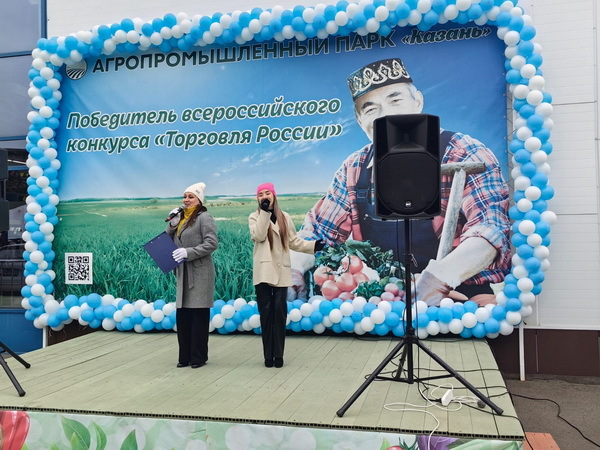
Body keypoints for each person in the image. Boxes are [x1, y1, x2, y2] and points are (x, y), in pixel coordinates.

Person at [290, 58, 510, 307]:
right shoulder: (354, 168)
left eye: (395, 100)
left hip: (458, 298)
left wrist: (440, 278)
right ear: (360, 121)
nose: (386, 115)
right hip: (382, 300)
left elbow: (490, 228)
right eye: (371, 110)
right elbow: (318, 233)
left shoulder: (464, 153)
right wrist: (294, 269)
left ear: (418, 101)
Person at [249, 182, 324, 368]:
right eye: (260, 194)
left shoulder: (285, 217)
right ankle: (268, 356)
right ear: (257, 199)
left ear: (274, 195)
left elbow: (294, 242)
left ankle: (279, 355)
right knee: (266, 315)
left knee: (280, 314)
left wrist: (313, 246)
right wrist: (265, 213)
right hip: (264, 272)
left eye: (267, 193)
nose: (264, 196)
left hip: (282, 271)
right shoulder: (254, 216)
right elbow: (259, 236)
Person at [166, 182, 218, 368]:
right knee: (183, 316)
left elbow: (211, 243)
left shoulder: (204, 218)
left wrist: (189, 252)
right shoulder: (180, 217)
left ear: (199, 200)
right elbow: (167, 239)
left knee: (198, 316)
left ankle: (198, 357)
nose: (186, 200)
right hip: (183, 272)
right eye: (185, 196)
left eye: (191, 197)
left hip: (200, 272)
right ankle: (184, 357)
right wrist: (172, 224)